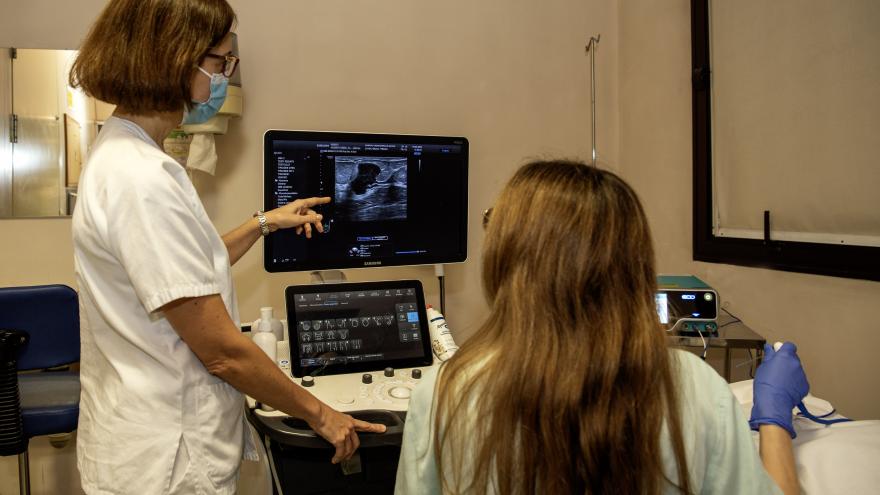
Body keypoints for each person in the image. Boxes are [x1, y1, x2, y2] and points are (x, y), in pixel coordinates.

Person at [69, 1, 384, 493]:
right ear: (175, 58)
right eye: (220, 61)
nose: (225, 77)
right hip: (165, 456)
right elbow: (221, 352)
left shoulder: (123, 154)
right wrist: (323, 414)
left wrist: (263, 223)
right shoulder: (142, 179)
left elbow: (180, 270)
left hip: (145, 433)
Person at [395, 160, 807, 494]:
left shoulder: (443, 394)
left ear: (506, 261)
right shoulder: (696, 391)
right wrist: (774, 420)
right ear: (633, 265)